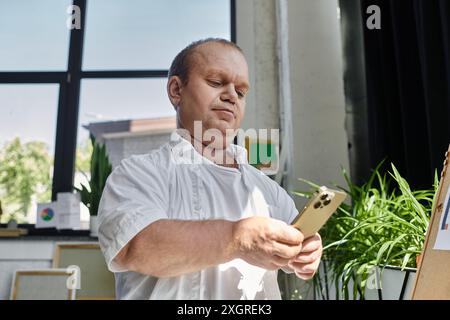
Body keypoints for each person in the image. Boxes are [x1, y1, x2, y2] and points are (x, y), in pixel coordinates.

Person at [98, 38, 323, 300]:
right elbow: (138, 247)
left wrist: (305, 251)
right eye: (216, 82)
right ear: (176, 90)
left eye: (241, 92)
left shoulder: (267, 189)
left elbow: (296, 242)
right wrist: (237, 238)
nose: (231, 96)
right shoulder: (138, 174)